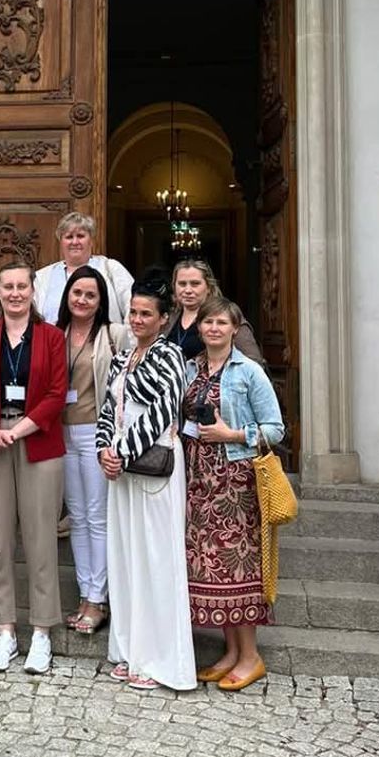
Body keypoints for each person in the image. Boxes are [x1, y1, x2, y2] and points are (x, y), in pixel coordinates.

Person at [0, 262, 67, 675]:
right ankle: (5, 630)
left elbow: (58, 393)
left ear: (32, 290)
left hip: (36, 438)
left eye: (22, 286)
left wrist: (18, 430)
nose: (15, 293)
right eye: (8, 286)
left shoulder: (51, 336)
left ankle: (41, 632)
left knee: (41, 538)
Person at [96, 272, 195, 693]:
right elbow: (106, 406)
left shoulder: (170, 356)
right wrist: (104, 448)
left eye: (145, 314)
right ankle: (129, 648)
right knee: (126, 558)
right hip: (120, 471)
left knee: (156, 561)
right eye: (133, 312)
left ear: (162, 318)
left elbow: (164, 410)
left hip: (152, 465)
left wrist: (123, 451)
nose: (137, 320)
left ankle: (157, 658)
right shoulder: (123, 356)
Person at [183, 294, 285, 691]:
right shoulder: (192, 369)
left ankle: (251, 656)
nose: (213, 329)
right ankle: (230, 653)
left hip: (236, 483)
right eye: (208, 323)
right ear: (199, 327)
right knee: (214, 572)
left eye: (221, 323)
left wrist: (233, 434)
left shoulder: (249, 372)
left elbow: (276, 429)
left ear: (235, 329)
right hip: (199, 481)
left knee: (239, 571)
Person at [55, 265, 128, 635]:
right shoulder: (56, 334)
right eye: (76, 293)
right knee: (77, 518)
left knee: (98, 517)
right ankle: (85, 593)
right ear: (67, 296)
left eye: (90, 295)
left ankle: (98, 600)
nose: (82, 300)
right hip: (61, 434)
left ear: (101, 302)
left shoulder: (114, 335)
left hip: (96, 435)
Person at [34, 213, 134, 326]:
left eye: (80, 236)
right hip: (54, 342)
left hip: (102, 342)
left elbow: (133, 306)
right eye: (69, 237)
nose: (75, 242)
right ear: (60, 241)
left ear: (91, 240)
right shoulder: (43, 277)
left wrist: (127, 341)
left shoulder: (110, 269)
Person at [165, 258, 264, 364]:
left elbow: (253, 360)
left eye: (195, 284)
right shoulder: (167, 318)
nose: (188, 290)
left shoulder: (226, 314)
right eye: (182, 284)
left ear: (208, 287)